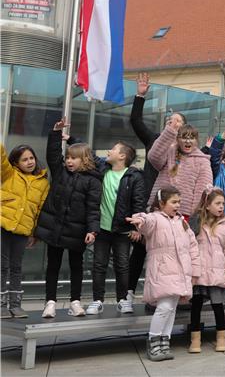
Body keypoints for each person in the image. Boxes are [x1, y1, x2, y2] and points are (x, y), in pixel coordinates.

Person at [127, 73, 187, 298]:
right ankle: (129, 293)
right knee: (140, 250)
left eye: (180, 122)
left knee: (166, 253)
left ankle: (162, 294)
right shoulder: (154, 140)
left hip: (173, 207)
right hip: (151, 202)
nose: (176, 123)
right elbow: (135, 121)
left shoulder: (185, 150)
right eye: (173, 121)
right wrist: (140, 96)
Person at [36, 119, 102, 318]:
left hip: (77, 230)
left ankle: (75, 301)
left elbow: (93, 208)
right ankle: (50, 302)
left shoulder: (93, 181)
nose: (69, 161)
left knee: (76, 266)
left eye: (74, 158)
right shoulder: (59, 172)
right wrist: (55, 133)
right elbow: (53, 154)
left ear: (85, 160)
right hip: (56, 227)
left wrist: (92, 229)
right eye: (68, 158)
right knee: (53, 265)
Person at [127, 187, 200, 362]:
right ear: (161, 203)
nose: (178, 205)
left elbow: (193, 246)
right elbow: (147, 221)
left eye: (179, 202)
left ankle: (164, 341)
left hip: (180, 271)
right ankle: (154, 340)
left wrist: (195, 271)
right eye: (174, 202)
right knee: (165, 307)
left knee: (171, 308)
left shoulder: (182, 222)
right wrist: (140, 219)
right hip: (162, 270)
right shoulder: (156, 219)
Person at [86, 141, 146, 315]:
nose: (108, 151)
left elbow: (138, 203)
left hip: (122, 229)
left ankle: (123, 300)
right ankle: (97, 300)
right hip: (102, 229)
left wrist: (137, 228)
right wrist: (70, 139)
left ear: (122, 156)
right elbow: (90, 154)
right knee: (99, 265)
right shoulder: (103, 169)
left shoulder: (134, 176)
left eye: (112, 149)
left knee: (122, 265)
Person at [1, 142, 49, 319]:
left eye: (31, 158)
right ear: (16, 163)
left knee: (16, 267)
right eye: (24, 159)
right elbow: (1, 160)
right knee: (2, 266)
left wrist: (34, 233)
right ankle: (0, 305)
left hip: (22, 231)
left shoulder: (43, 183)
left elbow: (40, 211)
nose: (29, 162)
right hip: (3, 226)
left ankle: (15, 305)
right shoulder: (9, 174)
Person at [187, 188, 225, 354]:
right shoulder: (197, 223)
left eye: (223, 203)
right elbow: (187, 239)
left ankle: (221, 338)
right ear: (207, 205)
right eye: (217, 203)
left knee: (218, 306)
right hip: (199, 273)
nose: (221, 206)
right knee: (196, 306)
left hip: (216, 273)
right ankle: (195, 339)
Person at [147, 120, 212, 218]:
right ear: (177, 139)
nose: (188, 141)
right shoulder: (170, 152)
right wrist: (169, 132)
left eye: (192, 138)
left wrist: (195, 216)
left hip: (184, 214)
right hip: (160, 209)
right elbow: (153, 157)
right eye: (184, 137)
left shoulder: (203, 161)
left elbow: (202, 191)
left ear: (197, 141)